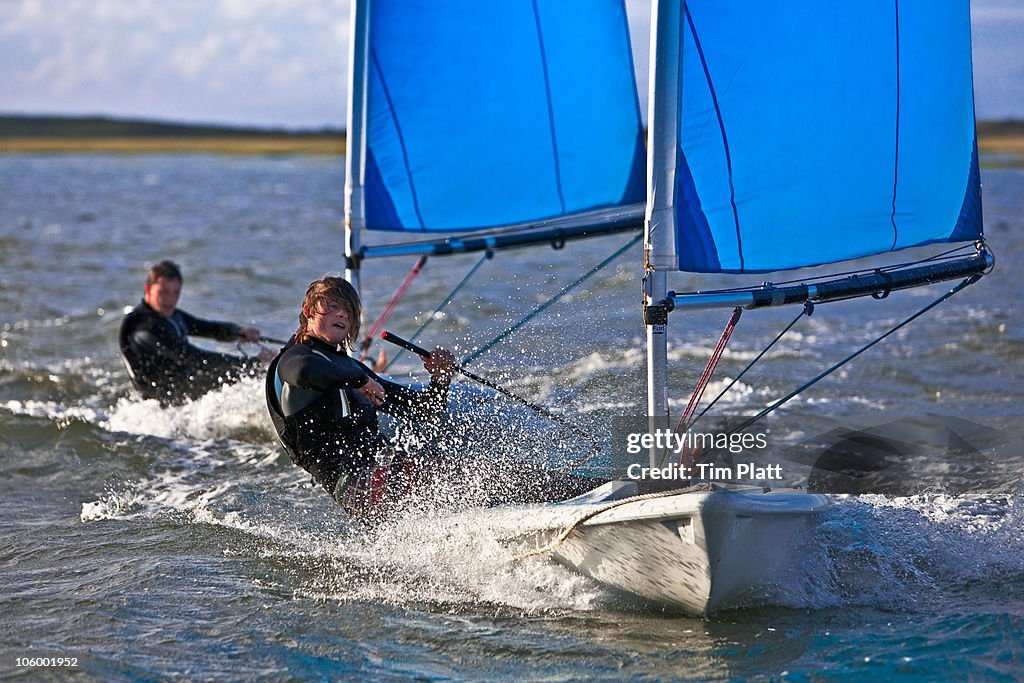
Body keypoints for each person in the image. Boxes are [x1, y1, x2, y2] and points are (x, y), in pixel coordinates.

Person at [265, 276, 457, 520]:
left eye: (348, 309)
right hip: (354, 485)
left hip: (385, 469)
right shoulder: (294, 359)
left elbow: (425, 411)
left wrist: (440, 379)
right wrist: (359, 380)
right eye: (333, 306)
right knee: (468, 479)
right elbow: (305, 372)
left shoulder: (349, 367)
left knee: (488, 476)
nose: (343, 314)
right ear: (309, 311)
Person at [119, 260, 275, 405]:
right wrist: (253, 363)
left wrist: (238, 332)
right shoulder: (143, 327)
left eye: (175, 292)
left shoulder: (171, 315)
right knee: (245, 375)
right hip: (164, 399)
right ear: (148, 289)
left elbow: (207, 328)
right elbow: (195, 358)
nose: (170, 299)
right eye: (164, 292)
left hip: (187, 383)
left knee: (247, 375)